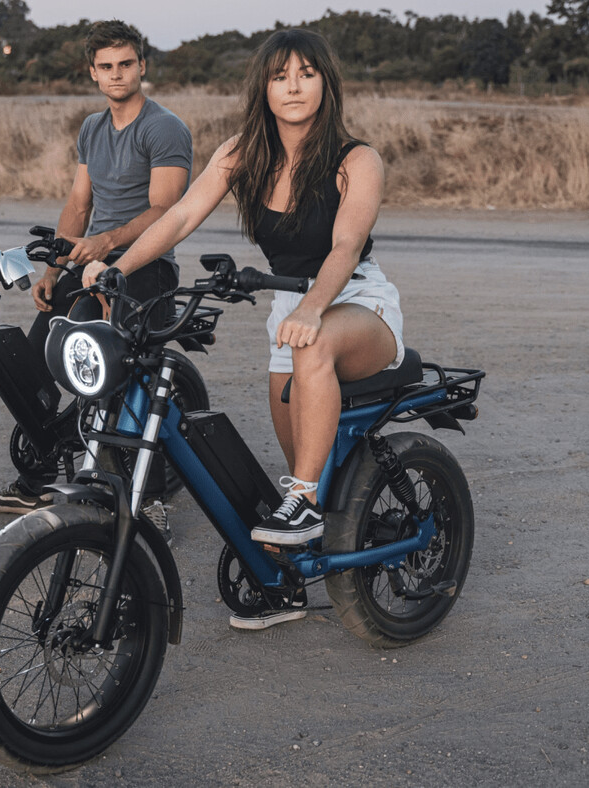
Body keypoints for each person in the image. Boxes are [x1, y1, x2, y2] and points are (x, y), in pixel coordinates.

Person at [83, 29, 403, 565]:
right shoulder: (241, 153)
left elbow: (346, 247)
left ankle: (304, 503)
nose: (293, 87)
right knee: (301, 458)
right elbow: (180, 216)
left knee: (311, 367)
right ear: (264, 88)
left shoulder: (356, 160)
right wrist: (118, 268)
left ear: (326, 83)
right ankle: (308, 534)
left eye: (306, 74)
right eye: (280, 77)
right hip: (289, 308)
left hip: (357, 300)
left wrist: (312, 308)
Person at [0, 19, 193, 515]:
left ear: (142, 66)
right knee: (35, 361)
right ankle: (38, 479)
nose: (117, 74)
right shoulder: (92, 128)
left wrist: (106, 242)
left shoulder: (163, 127)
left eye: (126, 64)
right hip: (90, 259)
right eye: (106, 66)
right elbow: (79, 204)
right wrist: (54, 270)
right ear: (93, 72)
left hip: (146, 264)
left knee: (124, 376)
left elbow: (166, 211)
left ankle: (149, 503)